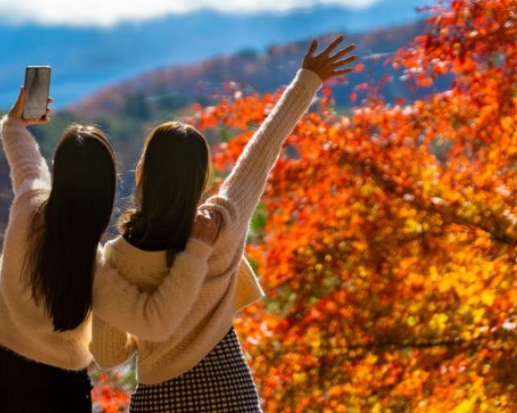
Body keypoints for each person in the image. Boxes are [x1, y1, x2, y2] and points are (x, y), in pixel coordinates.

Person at [90, 36, 357, 412]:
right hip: (229, 389)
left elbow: (109, 355)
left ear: (144, 173)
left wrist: (143, 321)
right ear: (202, 179)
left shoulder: (117, 257)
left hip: (160, 400)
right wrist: (308, 79)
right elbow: (263, 151)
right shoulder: (220, 223)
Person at [0, 87, 222, 412]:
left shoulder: (29, 205)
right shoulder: (95, 269)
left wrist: (15, 122)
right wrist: (197, 252)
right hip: (60, 393)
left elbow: (25, 158)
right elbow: (156, 322)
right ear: (107, 191)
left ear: (58, 171)